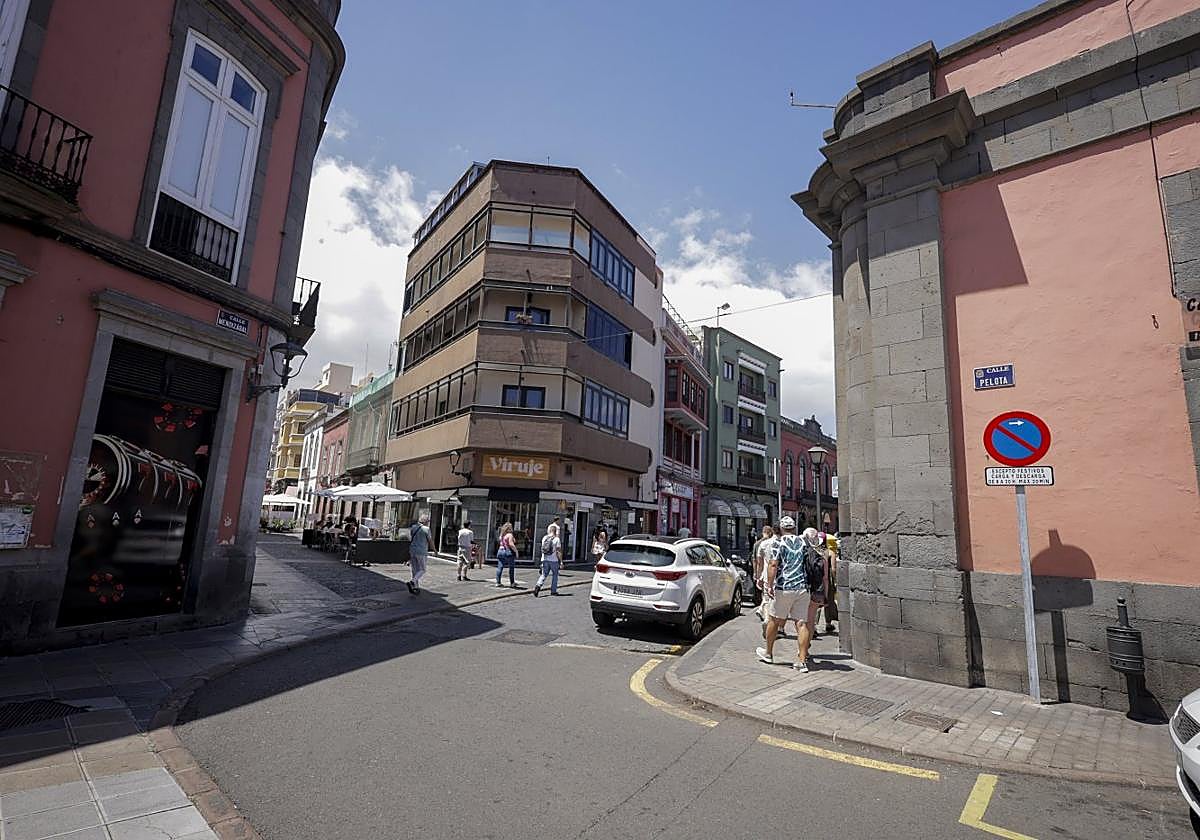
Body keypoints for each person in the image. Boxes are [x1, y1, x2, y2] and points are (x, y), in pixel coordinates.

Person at [756, 518, 827, 672]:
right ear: (794, 528)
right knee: (801, 623)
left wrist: (769, 584)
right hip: (802, 588)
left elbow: (773, 564)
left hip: (784, 587)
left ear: (781, 529)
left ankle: (768, 653)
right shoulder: (803, 542)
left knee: (774, 620)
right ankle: (802, 661)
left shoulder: (778, 543)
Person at [752, 525, 776, 628]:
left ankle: (765, 615)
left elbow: (757, 561)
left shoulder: (758, 544)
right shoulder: (777, 543)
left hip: (765, 574)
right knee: (772, 598)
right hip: (777, 576)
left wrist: (757, 574)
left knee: (766, 597)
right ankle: (769, 618)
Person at [533, 522, 562, 597]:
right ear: (555, 531)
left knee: (544, 574)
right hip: (554, 560)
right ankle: (553, 591)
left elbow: (542, 549)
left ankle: (537, 586)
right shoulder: (556, 539)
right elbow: (558, 551)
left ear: (549, 530)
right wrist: (561, 561)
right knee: (555, 575)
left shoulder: (544, 538)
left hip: (545, 559)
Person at [407, 513, 431, 595]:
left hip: (412, 550)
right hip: (421, 551)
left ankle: (416, 588)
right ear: (425, 521)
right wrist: (434, 550)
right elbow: (430, 541)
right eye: (428, 521)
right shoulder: (426, 529)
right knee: (423, 569)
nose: (428, 522)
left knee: (415, 569)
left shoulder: (413, 527)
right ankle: (412, 582)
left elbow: (411, 537)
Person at [496, 522, 518, 588]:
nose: (512, 529)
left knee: (500, 567)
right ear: (509, 528)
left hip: (500, 551)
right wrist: (516, 551)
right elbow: (511, 544)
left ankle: (498, 582)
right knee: (511, 567)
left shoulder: (502, 535)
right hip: (507, 552)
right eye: (511, 527)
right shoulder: (509, 535)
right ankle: (512, 583)